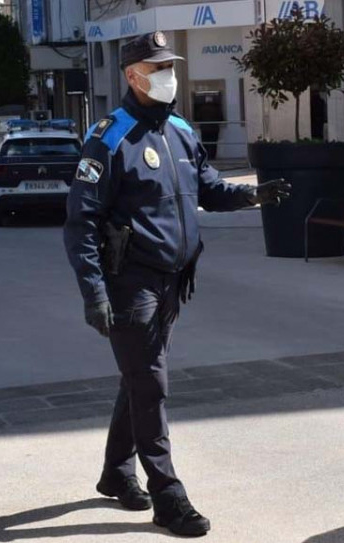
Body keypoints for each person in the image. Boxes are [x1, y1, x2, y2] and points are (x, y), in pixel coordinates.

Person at [63, 32, 290, 537]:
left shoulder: (182, 131)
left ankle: (117, 473)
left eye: (171, 66)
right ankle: (167, 496)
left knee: (139, 377)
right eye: (158, 67)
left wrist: (252, 196)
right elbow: (80, 223)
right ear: (132, 75)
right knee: (151, 384)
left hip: (173, 280)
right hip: (130, 281)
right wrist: (93, 292)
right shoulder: (109, 137)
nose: (169, 75)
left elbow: (206, 189)